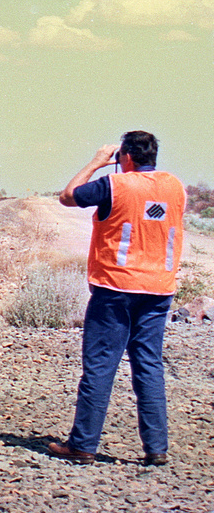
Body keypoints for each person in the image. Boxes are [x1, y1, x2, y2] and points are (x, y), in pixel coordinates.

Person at [49, 131, 185, 466]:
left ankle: (82, 445)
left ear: (125, 157)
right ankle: (156, 448)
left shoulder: (115, 184)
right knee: (149, 367)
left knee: (99, 367)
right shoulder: (175, 186)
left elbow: (67, 196)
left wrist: (96, 162)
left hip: (115, 289)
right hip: (158, 290)